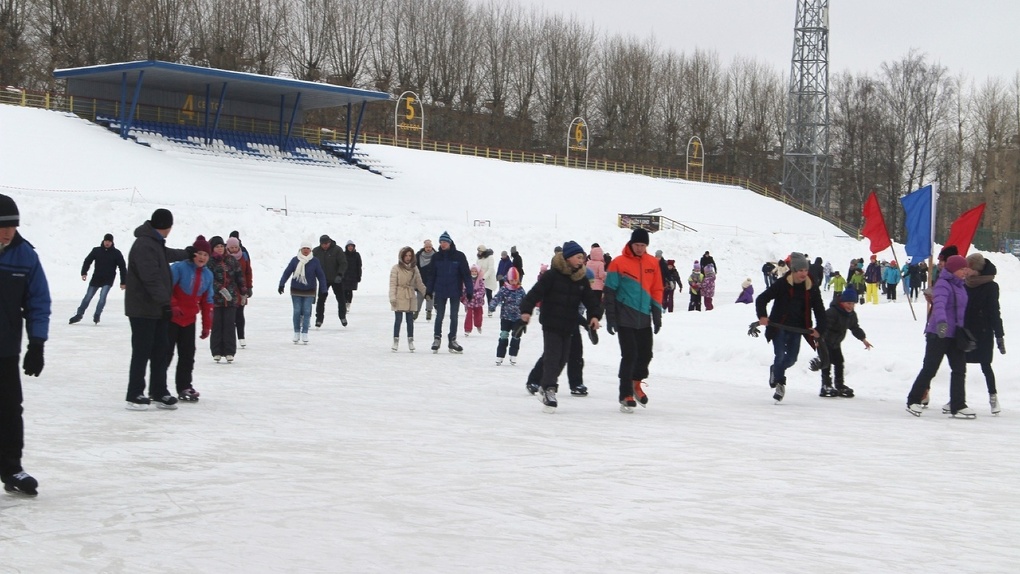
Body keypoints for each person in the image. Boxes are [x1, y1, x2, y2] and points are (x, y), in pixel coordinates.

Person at [0, 194, 50, 495]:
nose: (9, 232)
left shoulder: (25, 256)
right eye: (3, 226)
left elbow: (38, 302)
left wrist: (37, 343)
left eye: (13, 226)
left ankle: (12, 469)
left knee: (9, 409)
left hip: (5, 348)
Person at [519, 241, 602, 412]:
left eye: (583, 258)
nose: (581, 261)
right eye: (578, 257)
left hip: (569, 324)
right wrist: (526, 311)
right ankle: (549, 389)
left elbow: (591, 300)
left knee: (563, 358)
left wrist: (594, 316)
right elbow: (535, 293)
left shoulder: (581, 279)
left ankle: (545, 386)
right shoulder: (552, 276)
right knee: (552, 356)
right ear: (568, 257)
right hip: (551, 323)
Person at [124, 208, 191, 410]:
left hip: (156, 309)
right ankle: (134, 393)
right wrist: (166, 303)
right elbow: (150, 278)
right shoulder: (144, 245)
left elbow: (166, 255)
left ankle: (158, 391)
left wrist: (187, 253)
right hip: (143, 309)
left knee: (161, 350)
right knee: (142, 351)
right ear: (168, 226)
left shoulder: (154, 242)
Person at [905, 254, 975, 417]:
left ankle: (958, 405)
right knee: (930, 368)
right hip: (939, 333)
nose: (965, 272)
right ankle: (913, 400)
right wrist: (942, 323)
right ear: (953, 269)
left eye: (965, 269)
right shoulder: (943, 284)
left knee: (959, 369)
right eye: (961, 269)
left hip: (955, 334)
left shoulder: (960, 285)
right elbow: (940, 305)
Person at [755, 252, 827, 403]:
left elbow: (819, 310)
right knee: (780, 355)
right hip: (778, 326)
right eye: (800, 270)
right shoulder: (782, 284)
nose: (803, 273)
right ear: (793, 270)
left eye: (805, 270)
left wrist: (819, 329)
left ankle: (775, 370)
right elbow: (762, 299)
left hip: (798, 328)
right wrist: (762, 316)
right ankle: (780, 384)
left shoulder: (811, 287)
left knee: (792, 359)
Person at [604, 228, 662, 413]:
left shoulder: (652, 262)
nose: (640, 248)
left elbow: (657, 289)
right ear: (631, 243)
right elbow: (610, 291)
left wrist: (657, 314)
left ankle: (636, 384)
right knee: (629, 355)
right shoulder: (618, 263)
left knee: (646, 354)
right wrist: (611, 317)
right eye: (637, 244)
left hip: (644, 317)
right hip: (624, 317)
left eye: (643, 245)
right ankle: (625, 393)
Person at [167, 236, 214, 402]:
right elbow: (167, 288)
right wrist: (173, 305)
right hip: (171, 318)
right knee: (165, 354)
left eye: (205, 255)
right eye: (199, 253)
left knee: (187, 355)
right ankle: (157, 388)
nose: (202, 257)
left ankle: (184, 386)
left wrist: (206, 326)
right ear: (193, 254)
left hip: (189, 320)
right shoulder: (179, 268)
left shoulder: (208, 275)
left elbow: (207, 301)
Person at [963, 253, 1005, 415]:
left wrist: (999, 335)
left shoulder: (990, 286)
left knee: (986, 365)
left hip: (983, 332)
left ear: (976, 269)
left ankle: (993, 397)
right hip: (966, 331)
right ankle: (958, 398)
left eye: (968, 267)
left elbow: (995, 312)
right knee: (960, 366)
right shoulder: (964, 284)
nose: (965, 270)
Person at [422, 231, 473, 353]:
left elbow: (466, 275)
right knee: (439, 316)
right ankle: (437, 338)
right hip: (440, 290)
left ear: (449, 242)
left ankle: (452, 340)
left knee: (454, 316)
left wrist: (470, 290)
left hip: (455, 290)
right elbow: (432, 275)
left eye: (444, 242)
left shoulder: (459, 256)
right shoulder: (436, 257)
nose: (442, 244)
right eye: (441, 242)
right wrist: (429, 290)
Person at [818, 287, 872, 398]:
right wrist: (819, 341)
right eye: (848, 303)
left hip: (836, 342)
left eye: (853, 304)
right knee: (826, 363)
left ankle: (839, 385)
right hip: (824, 342)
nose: (851, 306)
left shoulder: (851, 315)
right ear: (842, 302)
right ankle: (825, 385)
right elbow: (824, 328)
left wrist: (863, 339)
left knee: (839, 362)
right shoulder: (832, 312)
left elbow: (855, 328)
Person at [279, 238, 328, 344]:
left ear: (310, 250)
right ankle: (296, 332)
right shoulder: (295, 260)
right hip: (296, 290)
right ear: (300, 249)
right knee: (297, 311)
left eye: (308, 249)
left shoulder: (315, 261)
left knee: (306, 311)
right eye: (304, 248)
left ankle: (305, 332)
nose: (306, 250)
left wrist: (324, 288)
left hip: (309, 290)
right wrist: (281, 284)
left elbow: (321, 275)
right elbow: (287, 272)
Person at [70, 233, 126, 325]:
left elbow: (122, 267)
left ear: (112, 242)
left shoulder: (116, 253)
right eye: (106, 241)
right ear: (103, 241)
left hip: (108, 279)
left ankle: (97, 315)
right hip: (96, 278)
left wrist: (123, 282)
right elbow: (87, 261)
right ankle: (79, 315)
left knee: (102, 298)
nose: (107, 243)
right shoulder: (96, 250)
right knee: (87, 297)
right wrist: (84, 272)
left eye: (109, 241)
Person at [206, 236, 245, 362]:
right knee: (217, 324)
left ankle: (229, 351)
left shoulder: (231, 260)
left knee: (229, 324)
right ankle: (216, 351)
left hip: (231, 298)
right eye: (217, 246)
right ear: (212, 248)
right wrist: (220, 289)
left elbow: (239, 276)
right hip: (215, 299)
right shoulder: (209, 262)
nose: (220, 248)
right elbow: (208, 279)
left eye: (222, 246)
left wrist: (244, 291)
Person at [389, 246, 427, 352]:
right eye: (406, 255)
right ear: (402, 256)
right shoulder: (396, 268)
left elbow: (419, 283)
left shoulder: (414, 269)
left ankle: (410, 340)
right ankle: (395, 340)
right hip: (399, 296)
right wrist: (392, 297)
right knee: (398, 320)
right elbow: (392, 284)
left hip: (410, 296)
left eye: (410, 255)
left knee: (410, 320)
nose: (408, 258)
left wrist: (426, 293)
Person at [489, 267, 526, 366]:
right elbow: (497, 298)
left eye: (515, 280)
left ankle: (513, 355)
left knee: (516, 336)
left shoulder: (521, 290)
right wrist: (492, 305)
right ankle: (500, 356)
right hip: (506, 317)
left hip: (518, 318)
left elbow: (526, 302)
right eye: (512, 280)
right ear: (508, 279)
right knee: (504, 335)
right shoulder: (504, 289)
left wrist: (527, 313)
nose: (514, 282)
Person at [312, 234, 348, 328]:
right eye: (323, 244)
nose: (325, 245)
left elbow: (343, 263)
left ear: (330, 242)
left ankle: (342, 316)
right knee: (321, 300)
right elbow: (311, 264)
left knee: (341, 299)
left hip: (337, 279)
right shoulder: (316, 251)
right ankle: (319, 319)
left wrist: (340, 274)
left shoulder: (337, 250)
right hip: (323, 280)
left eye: (326, 243)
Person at [226, 236, 252, 348]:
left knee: (240, 314)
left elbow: (248, 272)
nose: (234, 249)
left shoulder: (244, 256)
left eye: (236, 247)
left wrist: (249, 287)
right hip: (229, 290)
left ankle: (241, 337)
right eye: (232, 247)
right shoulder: (225, 257)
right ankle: (230, 338)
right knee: (230, 316)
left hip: (242, 289)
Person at [415, 239, 437, 320]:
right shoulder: (418, 255)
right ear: (424, 247)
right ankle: (416, 312)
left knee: (430, 296)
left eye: (430, 247)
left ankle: (429, 311)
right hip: (421, 279)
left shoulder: (436, 255)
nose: (428, 248)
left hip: (432, 280)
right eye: (427, 247)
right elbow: (414, 267)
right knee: (419, 297)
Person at [463, 265, 487, 336]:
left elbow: (482, 290)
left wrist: (476, 295)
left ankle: (478, 325)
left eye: (475, 271)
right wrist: (467, 294)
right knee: (469, 315)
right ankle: (467, 329)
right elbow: (464, 289)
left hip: (478, 302)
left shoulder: (480, 280)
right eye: (472, 271)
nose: (474, 273)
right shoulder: (467, 280)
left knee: (478, 315)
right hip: (469, 301)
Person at [342, 240, 362, 312]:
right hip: (344, 276)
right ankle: (343, 304)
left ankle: (348, 304)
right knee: (343, 291)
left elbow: (359, 266)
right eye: (349, 246)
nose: (350, 247)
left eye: (351, 246)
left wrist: (359, 276)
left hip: (353, 276)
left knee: (350, 291)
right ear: (346, 247)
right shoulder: (343, 254)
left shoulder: (357, 255)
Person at [476, 244, 497, 312]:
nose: (479, 253)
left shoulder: (490, 257)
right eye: (478, 251)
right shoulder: (479, 259)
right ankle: (479, 309)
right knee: (480, 295)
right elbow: (477, 268)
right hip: (481, 280)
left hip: (489, 280)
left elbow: (490, 269)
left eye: (480, 251)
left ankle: (490, 309)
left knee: (489, 294)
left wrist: (484, 277)